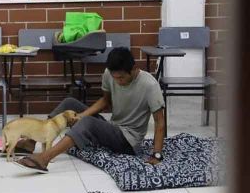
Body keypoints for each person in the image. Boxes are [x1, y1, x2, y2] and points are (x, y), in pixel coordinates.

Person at [13, 47, 166, 173]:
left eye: (121, 78)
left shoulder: (150, 85)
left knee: (87, 123)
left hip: (128, 141)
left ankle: (44, 159)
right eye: (115, 78)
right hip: (113, 128)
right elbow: (105, 100)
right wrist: (80, 115)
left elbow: (160, 122)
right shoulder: (109, 74)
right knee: (70, 103)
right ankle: (31, 142)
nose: (117, 82)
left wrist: (156, 154)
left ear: (133, 69)